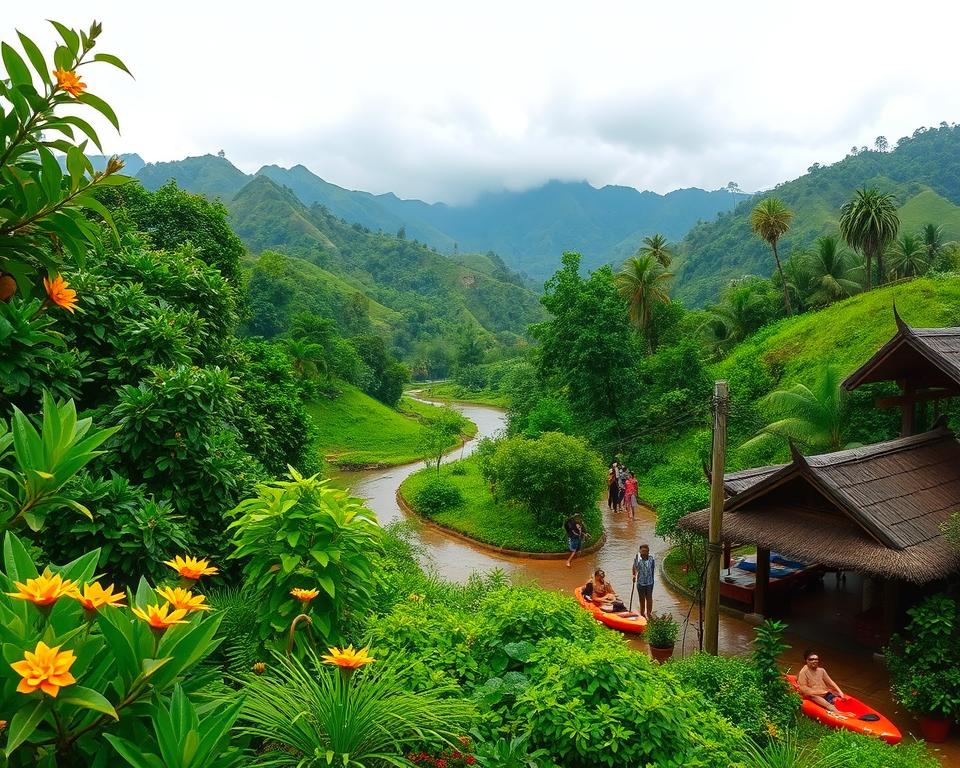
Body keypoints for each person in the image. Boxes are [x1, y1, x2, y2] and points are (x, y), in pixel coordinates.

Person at [796, 650, 849, 714]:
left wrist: (840, 692)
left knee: (837, 698)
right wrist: (821, 692)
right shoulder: (803, 673)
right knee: (814, 696)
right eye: (811, 659)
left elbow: (830, 682)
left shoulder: (821, 670)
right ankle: (838, 712)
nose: (814, 661)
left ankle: (843, 708)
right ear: (806, 660)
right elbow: (804, 690)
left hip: (825, 693)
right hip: (814, 696)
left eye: (816, 659)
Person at [632, 543, 655, 619]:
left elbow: (652, 569)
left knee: (649, 598)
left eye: (646, 551)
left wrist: (652, 579)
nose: (644, 553)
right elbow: (634, 568)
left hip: (649, 582)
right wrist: (634, 575)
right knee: (642, 599)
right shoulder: (637, 558)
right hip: (640, 583)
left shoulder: (651, 559)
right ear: (640, 551)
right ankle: (642, 613)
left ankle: (649, 613)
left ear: (648, 552)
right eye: (642, 551)